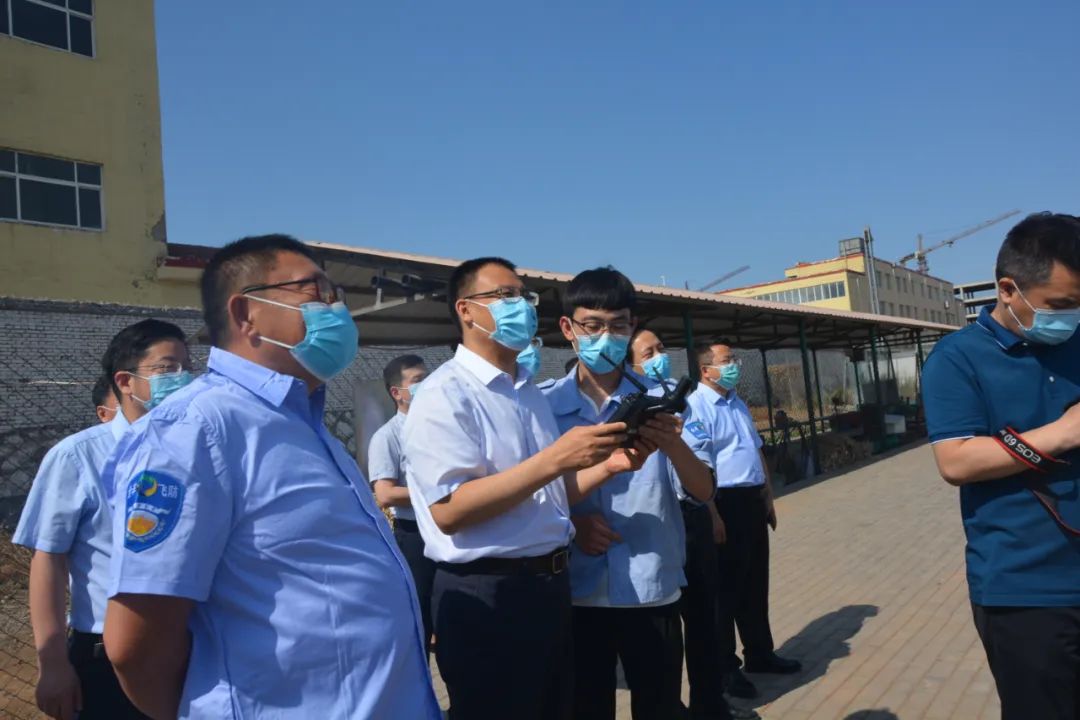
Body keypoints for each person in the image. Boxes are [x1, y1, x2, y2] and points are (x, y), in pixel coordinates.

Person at [102, 234, 439, 719]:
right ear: (246, 314)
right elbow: (137, 643)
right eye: (316, 292)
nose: (336, 310)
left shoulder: (303, 424)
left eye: (336, 296)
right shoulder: (195, 430)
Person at [403, 256, 649, 720]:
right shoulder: (445, 394)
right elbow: (449, 510)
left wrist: (610, 466)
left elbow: (546, 496)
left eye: (524, 295)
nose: (521, 306)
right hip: (488, 595)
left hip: (548, 588)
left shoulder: (526, 391)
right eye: (505, 295)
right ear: (466, 310)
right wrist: (555, 459)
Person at [922, 212, 1080, 720]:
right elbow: (956, 461)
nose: (1073, 317)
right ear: (1008, 290)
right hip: (1026, 590)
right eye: (1062, 305)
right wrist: (1062, 434)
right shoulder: (957, 359)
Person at [540, 269, 715, 720]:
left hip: (651, 588)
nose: (606, 336)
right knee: (586, 708)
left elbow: (703, 489)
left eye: (618, 325)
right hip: (577, 595)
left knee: (659, 707)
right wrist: (573, 524)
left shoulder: (667, 401)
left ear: (632, 326)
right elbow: (530, 496)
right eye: (592, 325)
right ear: (568, 328)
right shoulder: (542, 407)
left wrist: (672, 444)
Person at [12, 318, 190, 720]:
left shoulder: (192, 451)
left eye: (186, 368)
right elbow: (49, 559)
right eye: (167, 369)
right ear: (125, 382)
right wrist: (53, 664)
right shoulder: (78, 456)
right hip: (106, 655)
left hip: (191, 648)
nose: (181, 379)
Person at [628, 328, 750, 720]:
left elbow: (701, 463)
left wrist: (710, 513)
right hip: (655, 522)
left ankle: (709, 704)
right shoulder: (628, 406)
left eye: (661, 348)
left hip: (692, 517)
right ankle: (672, 707)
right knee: (662, 632)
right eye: (648, 353)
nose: (659, 357)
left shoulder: (679, 401)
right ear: (630, 364)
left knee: (704, 618)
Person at [687, 342, 801, 701]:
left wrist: (768, 496)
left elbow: (755, 450)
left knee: (754, 583)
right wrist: (712, 513)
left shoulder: (736, 402)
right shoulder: (696, 406)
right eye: (726, 361)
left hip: (751, 500)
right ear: (706, 370)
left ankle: (760, 653)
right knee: (724, 592)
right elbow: (698, 466)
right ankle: (726, 669)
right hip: (723, 502)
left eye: (734, 359)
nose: (734, 365)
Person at [368, 353, 436, 652]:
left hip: (449, 529)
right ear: (397, 393)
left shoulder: (441, 426)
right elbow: (385, 494)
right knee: (420, 616)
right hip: (415, 535)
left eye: (428, 377)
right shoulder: (387, 437)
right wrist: (437, 492)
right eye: (418, 381)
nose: (428, 385)